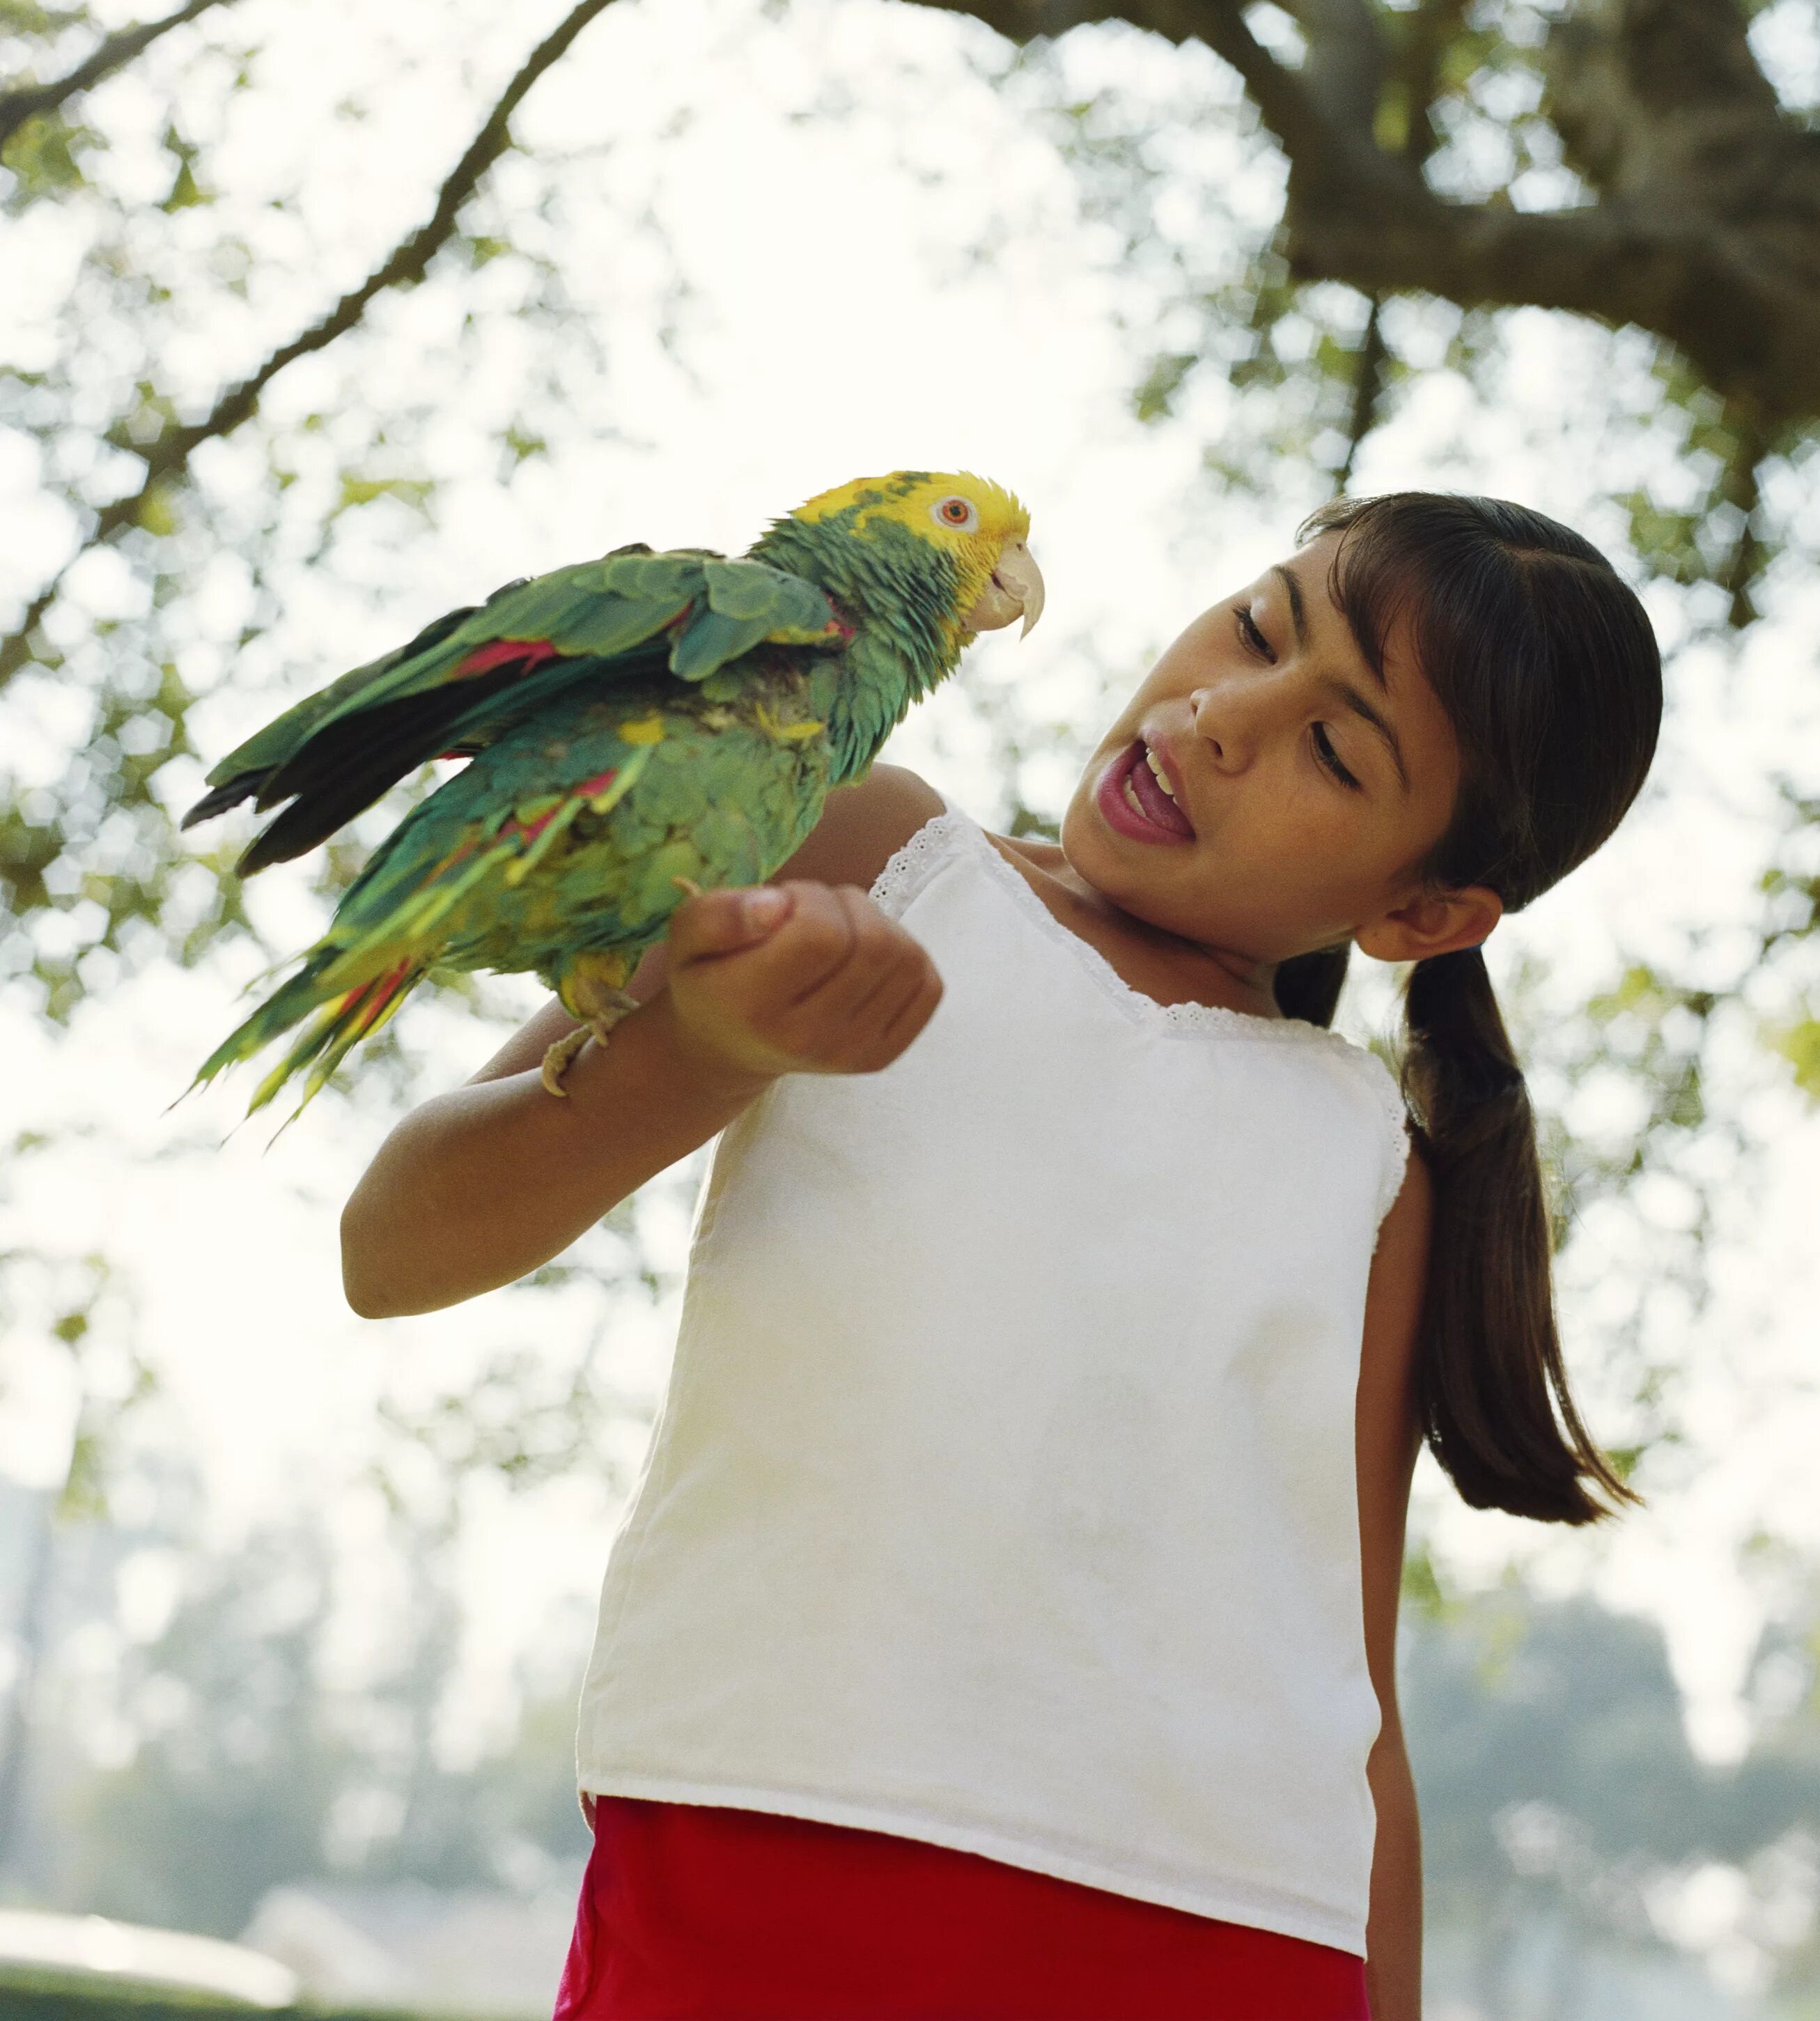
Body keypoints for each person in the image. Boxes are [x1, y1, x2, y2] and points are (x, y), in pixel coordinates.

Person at [341, 490, 1664, 2021]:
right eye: (1255, 626)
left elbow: (1350, 1702)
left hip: (1220, 1945)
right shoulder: (869, 847)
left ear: (1422, 910)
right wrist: (690, 1056)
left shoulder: (1370, 1163)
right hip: (764, 1868)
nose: (1224, 715)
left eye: (1334, 747)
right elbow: (396, 1246)